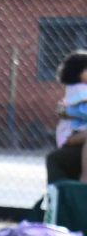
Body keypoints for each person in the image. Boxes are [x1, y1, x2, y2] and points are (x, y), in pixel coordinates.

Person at [47, 51, 87, 185]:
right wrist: (65, 111)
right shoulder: (80, 89)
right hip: (74, 135)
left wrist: (65, 111)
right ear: (79, 73)